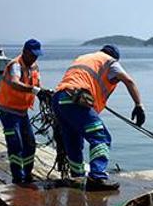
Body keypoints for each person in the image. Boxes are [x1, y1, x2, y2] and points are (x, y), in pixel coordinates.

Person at [52, 44, 145, 190]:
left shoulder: (84, 58)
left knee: (73, 141)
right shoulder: (110, 62)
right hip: (75, 100)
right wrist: (139, 105)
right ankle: (97, 177)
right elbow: (129, 81)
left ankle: (77, 177)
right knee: (101, 137)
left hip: (59, 100)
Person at [0, 39, 44, 184]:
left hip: (22, 111)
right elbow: (15, 83)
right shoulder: (15, 65)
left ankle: (27, 174)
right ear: (25, 52)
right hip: (8, 111)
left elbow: (38, 85)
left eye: (37, 55)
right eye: (32, 55)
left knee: (30, 143)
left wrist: (44, 93)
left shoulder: (34, 66)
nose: (34, 58)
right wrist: (32, 90)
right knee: (16, 144)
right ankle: (18, 177)